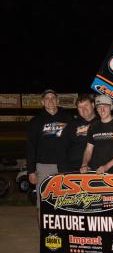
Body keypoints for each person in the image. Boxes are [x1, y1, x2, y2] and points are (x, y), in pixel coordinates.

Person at [26, 89, 73, 218]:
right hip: (44, 167)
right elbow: (30, 147)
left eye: (53, 98)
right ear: (42, 102)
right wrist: (30, 170)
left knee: (64, 201)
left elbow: (74, 142)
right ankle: (44, 233)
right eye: (47, 98)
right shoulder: (35, 121)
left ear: (57, 101)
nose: (50, 100)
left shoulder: (68, 118)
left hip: (64, 166)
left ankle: (63, 233)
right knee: (43, 202)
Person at [80, 95, 113, 174]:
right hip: (95, 171)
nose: (102, 110)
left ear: (111, 107)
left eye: (105, 106)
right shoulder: (93, 126)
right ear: (96, 109)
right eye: (99, 107)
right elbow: (89, 149)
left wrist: (106, 166)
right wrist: (84, 164)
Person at [60, 94, 97, 172]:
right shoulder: (71, 125)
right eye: (80, 107)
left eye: (86, 105)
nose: (84, 109)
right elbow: (63, 147)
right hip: (74, 169)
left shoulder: (102, 123)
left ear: (93, 105)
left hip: (97, 169)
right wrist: (63, 169)